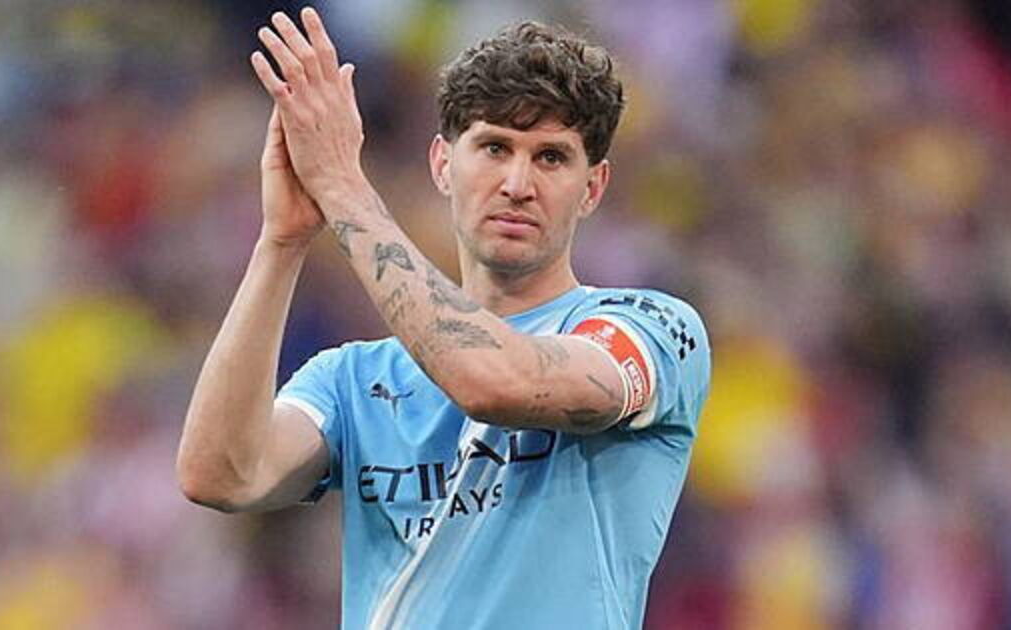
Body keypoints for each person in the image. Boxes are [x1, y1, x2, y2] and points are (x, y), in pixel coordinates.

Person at [176, 7, 711, 629]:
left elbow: (492, 382)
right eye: (494, 148)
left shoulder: (651, 329)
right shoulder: (354, 380)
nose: (517, 183)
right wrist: (283, 241)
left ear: (592, 188)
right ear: (441, 165)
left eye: (551, 158)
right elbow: (221, 476)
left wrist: (344, 188)